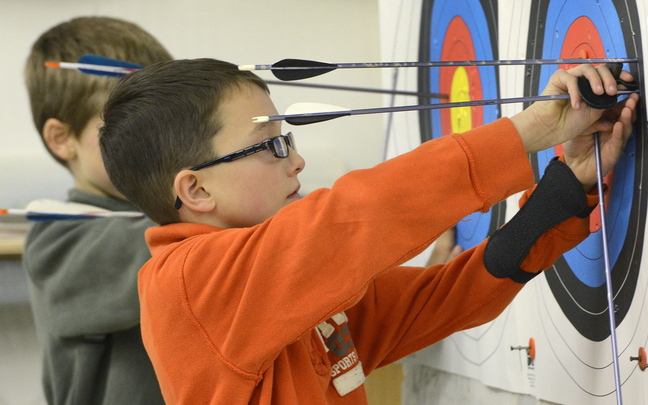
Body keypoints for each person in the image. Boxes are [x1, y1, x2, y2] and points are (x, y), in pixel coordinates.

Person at [98, 58, 638, 404]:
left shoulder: (287, 297)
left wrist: (565, 187)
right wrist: (530, 130)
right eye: (273, 145)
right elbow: (349, 221)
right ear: (195, 191)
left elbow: (439, 301)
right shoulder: (188, 285)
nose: (296, 161)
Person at [22, 17, 173, 404]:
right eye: (128, 127)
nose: (158, 144)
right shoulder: (57, 239)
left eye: (166, 122)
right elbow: (172, 248)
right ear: (62, 139)